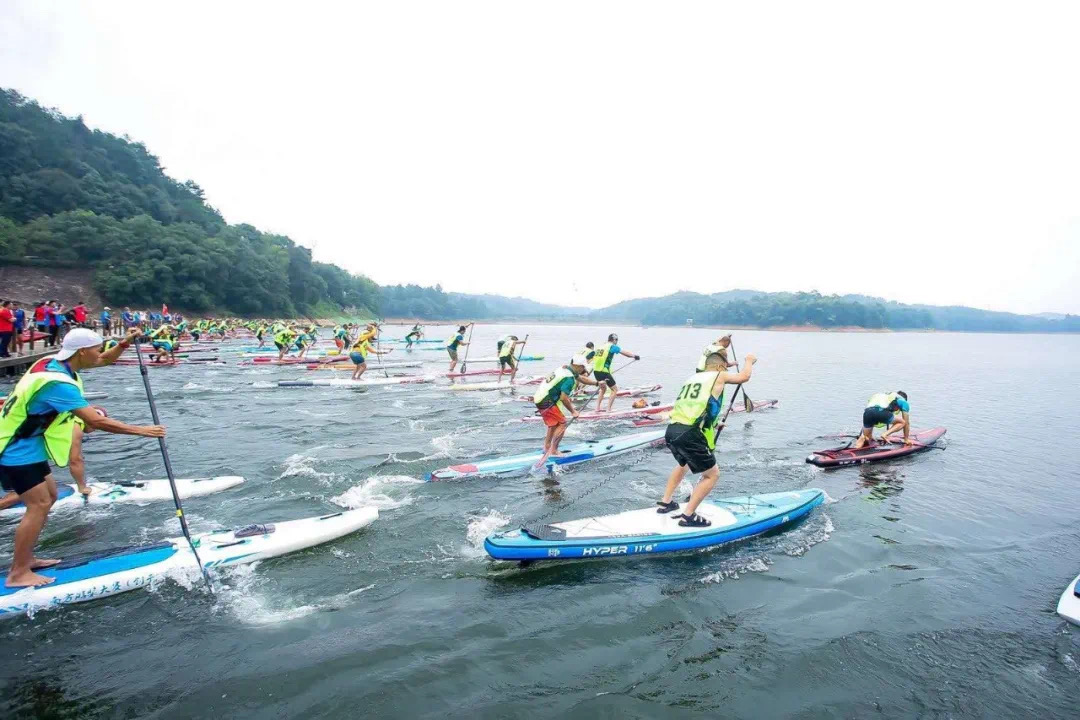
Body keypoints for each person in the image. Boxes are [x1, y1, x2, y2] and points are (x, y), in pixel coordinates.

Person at [0, 328, 165, 587]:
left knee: (50, 496)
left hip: (29, 444)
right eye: (96, 349)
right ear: (82, 352)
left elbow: (105, 359)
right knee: (38, 504)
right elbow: (95, 421)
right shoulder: (58, 384)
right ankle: (18, 572)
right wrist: (143, 431)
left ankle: (26, 557)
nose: (100, 353)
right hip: (13, 447)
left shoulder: (52, 363)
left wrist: (124, 343)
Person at [655, 351, 757, 527]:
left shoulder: (693, 378)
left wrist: (714, 424)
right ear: (719, 366)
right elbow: (744, 377)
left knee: (684, 465)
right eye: (725, 368)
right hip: (689, 434)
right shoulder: (719, 374)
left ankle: (666, 502)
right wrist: (749, 360)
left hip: (673, 430)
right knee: (712, 475)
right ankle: (688, 516)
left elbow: (694, 407)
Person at [532, 355, 600, 467]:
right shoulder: (569, 378)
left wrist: (597, 383)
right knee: (562, 423)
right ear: (578, 366)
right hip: (546, 400)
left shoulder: (564, 369)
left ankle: (547, 447)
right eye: (583, 367)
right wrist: (573, 411)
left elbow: (581, 378)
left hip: (539, 397)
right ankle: (554, 451)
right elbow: (564, 398)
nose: (584, 370)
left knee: (554, 424)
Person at [592, 333, 640, 412]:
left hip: (596, 371)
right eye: (616, 340)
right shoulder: (612, 346)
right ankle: (608, 409)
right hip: (604, 372)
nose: (617, 342)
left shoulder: (601, 346)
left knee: (603, 389)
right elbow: (625, 353)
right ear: (614, 340)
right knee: (614, 390)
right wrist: (634, 356)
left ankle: (597, 408)